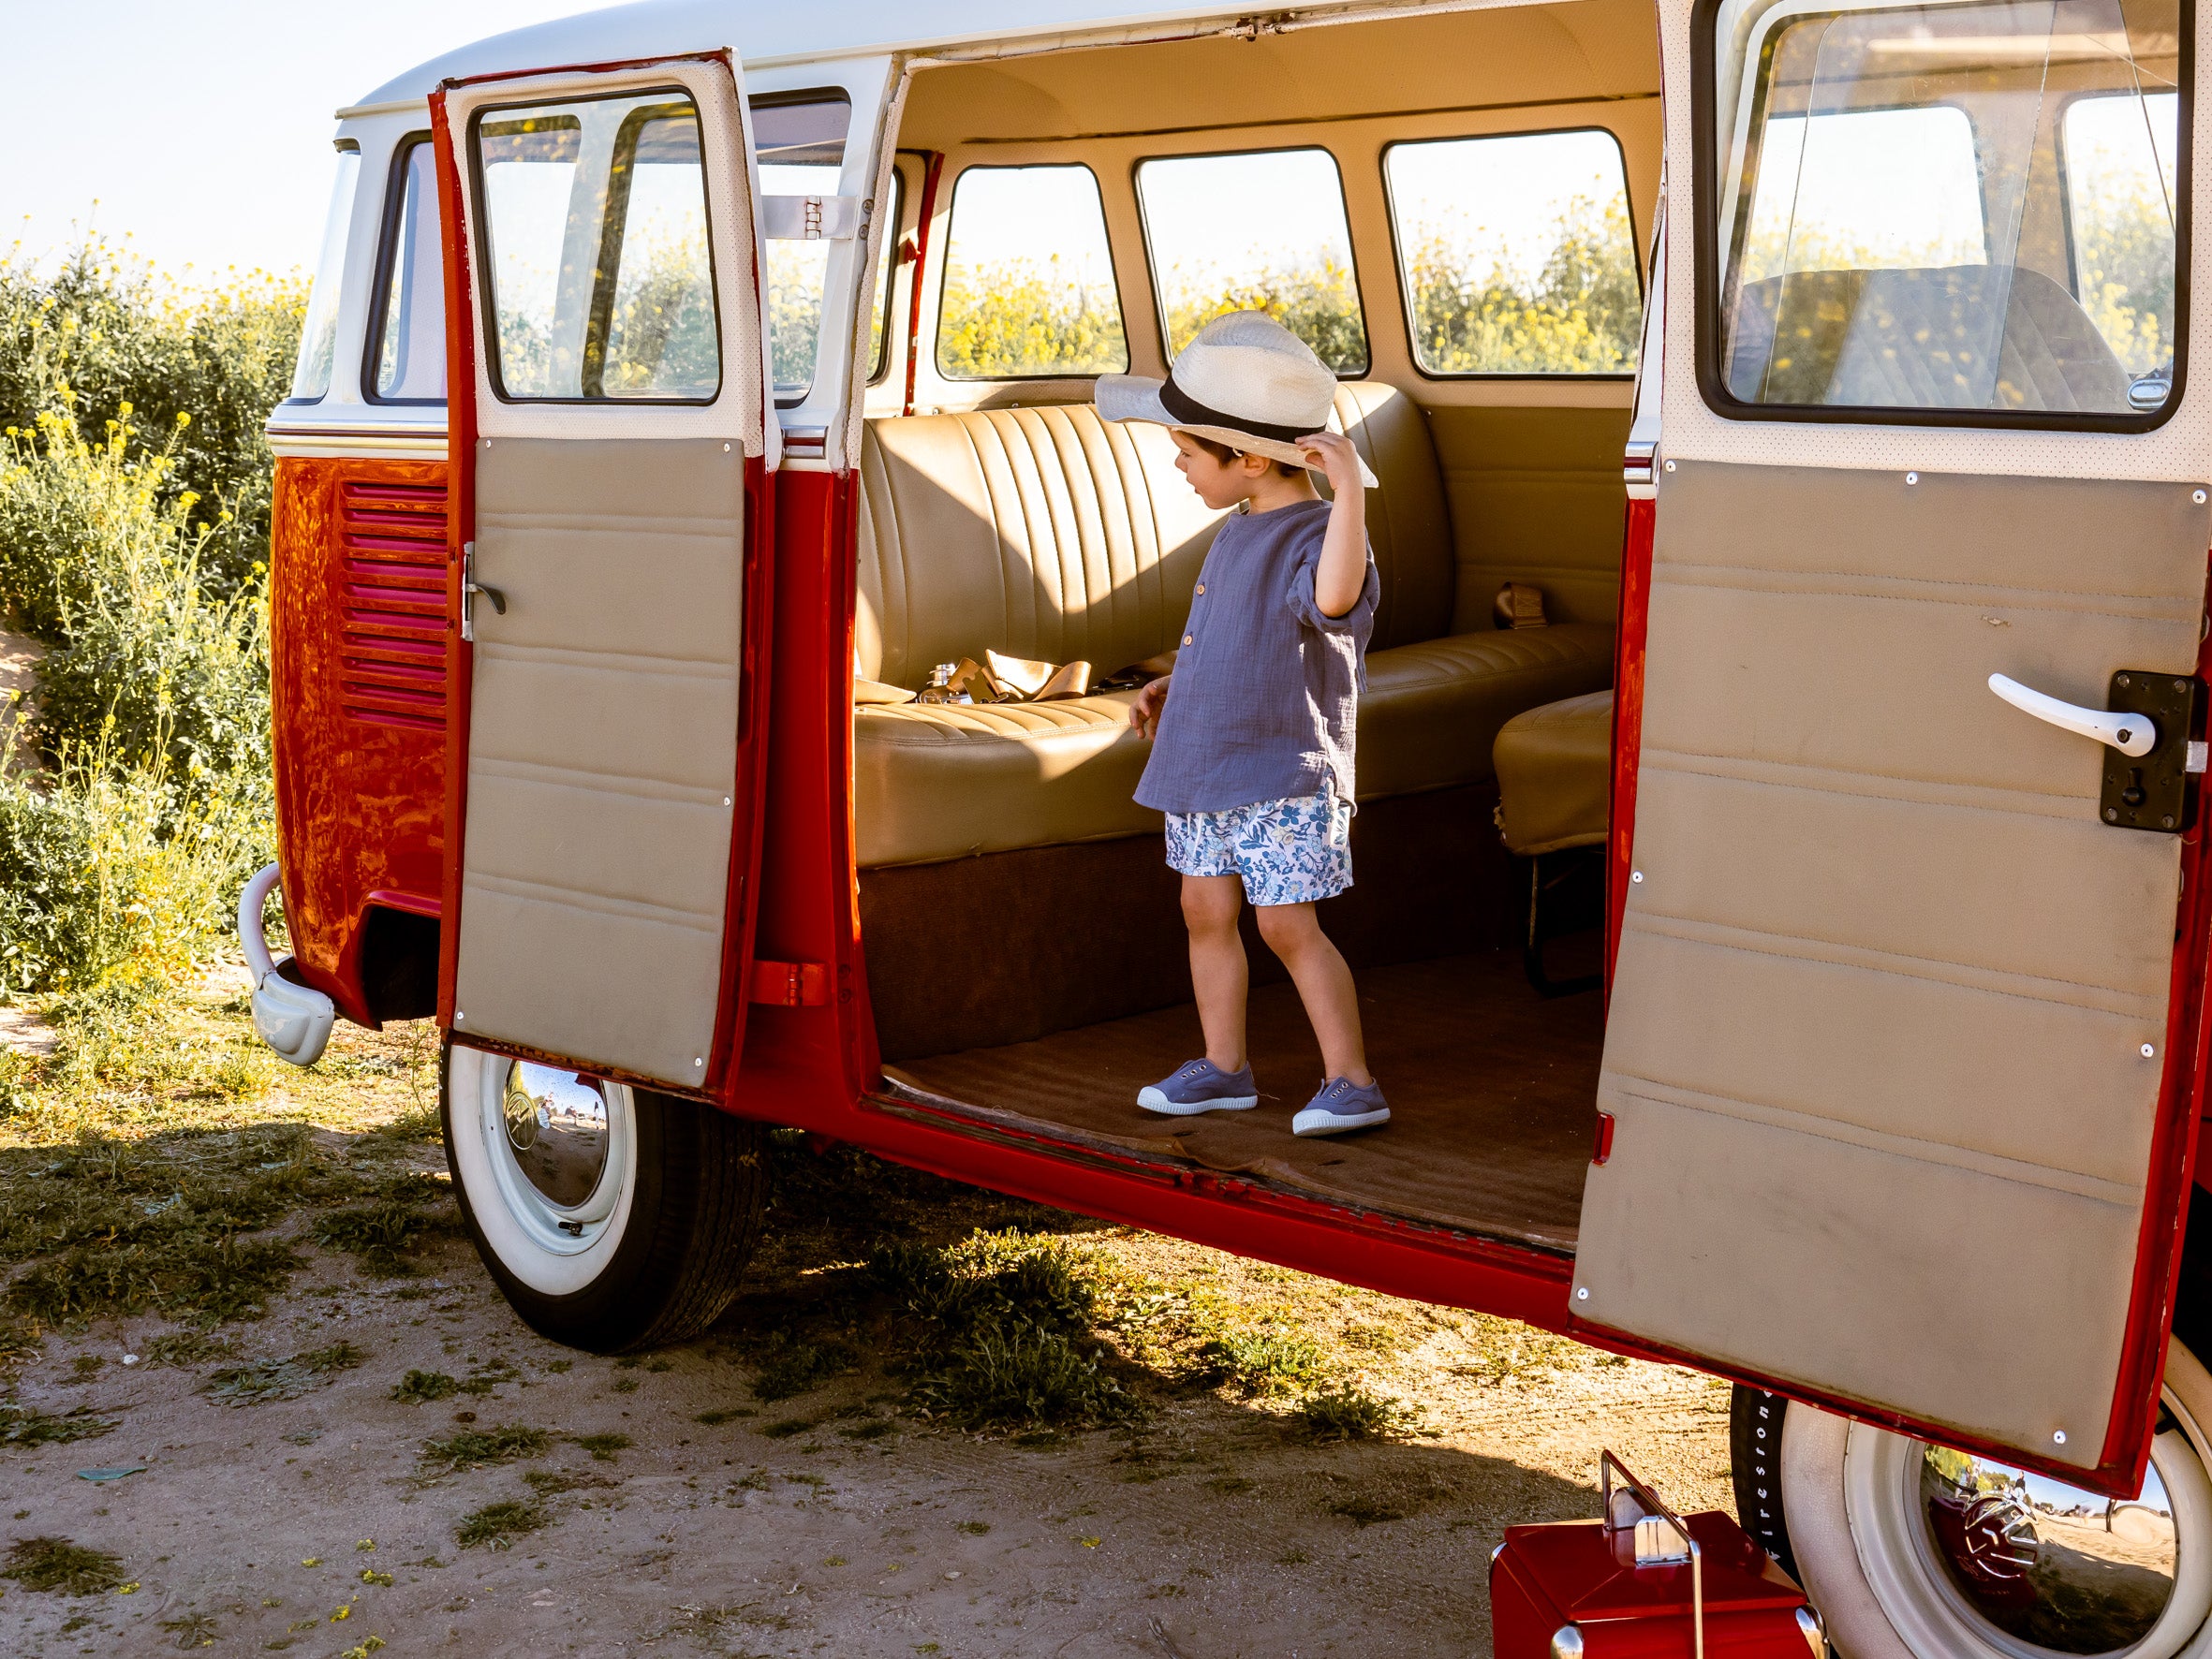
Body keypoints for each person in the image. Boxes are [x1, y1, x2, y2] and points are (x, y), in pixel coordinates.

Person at [1095, 311, 1389, 1138]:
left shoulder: (1322, 537)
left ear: (1252, 459)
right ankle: (1224, 1067)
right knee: (1204, 912)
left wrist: (1350, 496)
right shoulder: (1237, 529)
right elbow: (1224, 634)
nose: (1180, 462)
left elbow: (1331, 602)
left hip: (1282, 773)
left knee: (1286, 923)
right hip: (1205, 763)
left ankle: (1351, 1079)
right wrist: (1172, 686)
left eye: (1190, 451)